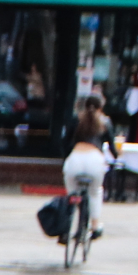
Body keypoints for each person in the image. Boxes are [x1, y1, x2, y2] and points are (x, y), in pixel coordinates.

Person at [60, 92, 112, 245]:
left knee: (71, 194)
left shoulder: (76, 119)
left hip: (75, 160)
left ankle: (65, 227)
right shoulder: (105, 122)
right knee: (95, 192)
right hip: (95, 162)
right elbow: (113, 148)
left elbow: (64, 142)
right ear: (101, 107)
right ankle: (95, 226)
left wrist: (67, 158)